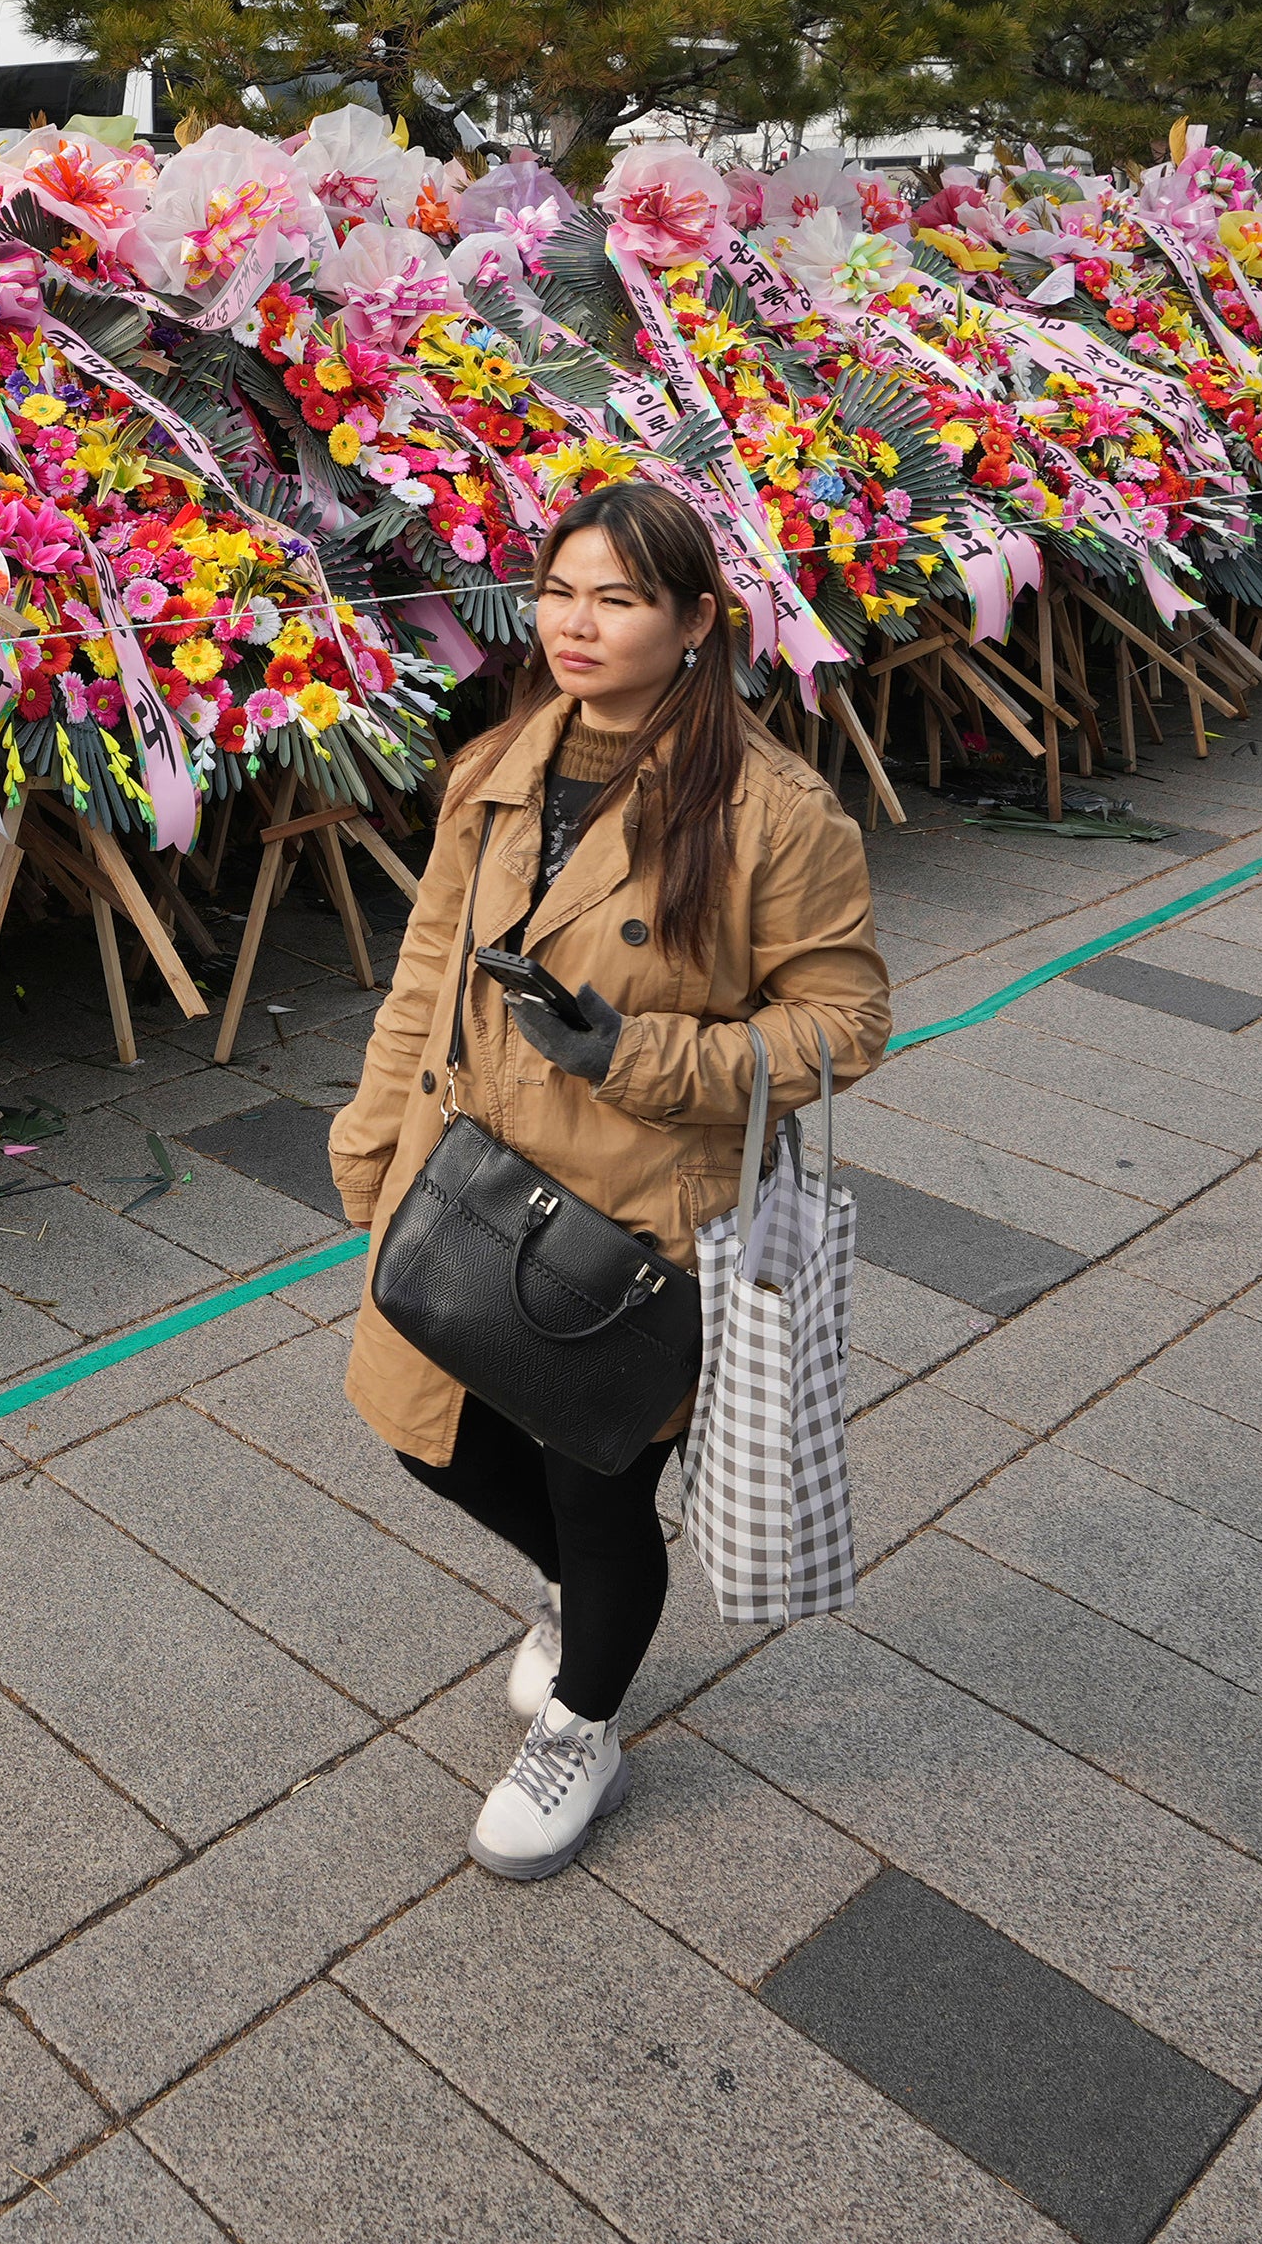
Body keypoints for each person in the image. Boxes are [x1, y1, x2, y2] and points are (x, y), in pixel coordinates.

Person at [328, 479, 888, 1879]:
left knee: (597, 1489)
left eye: (618, 599)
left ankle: (584, 1722)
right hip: (465, 1171)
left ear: (695, 619)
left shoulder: (773, 808)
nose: (575, 625)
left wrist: (637, 1054)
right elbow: (429, 967)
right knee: (426, 1431)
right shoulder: (501, 764)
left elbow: (843, 1022)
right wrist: (373, 1130)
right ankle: (575, 1595)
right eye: (559, 593)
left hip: (635, 1210)